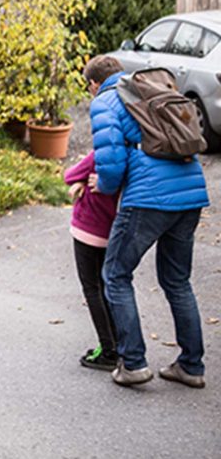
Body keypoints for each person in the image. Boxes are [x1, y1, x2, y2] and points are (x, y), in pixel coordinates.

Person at [85, 55, 209, 388]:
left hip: (149, 199)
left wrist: (104, 186)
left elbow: (111, 163)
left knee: (115, 274)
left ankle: (134, 363)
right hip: (191, 192)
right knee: (177, 281)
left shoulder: (105, 102)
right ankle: (191, 366)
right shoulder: (152, 90)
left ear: (95, 84)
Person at [64, 150, 120, 371]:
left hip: (87, 228)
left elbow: (69, 174)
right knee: (108, 286)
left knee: (92, 288)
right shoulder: (130, 155)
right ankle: (117, 343)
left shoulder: (101, 154)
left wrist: (79, 180)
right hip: (112, 230)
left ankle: (108, 350)